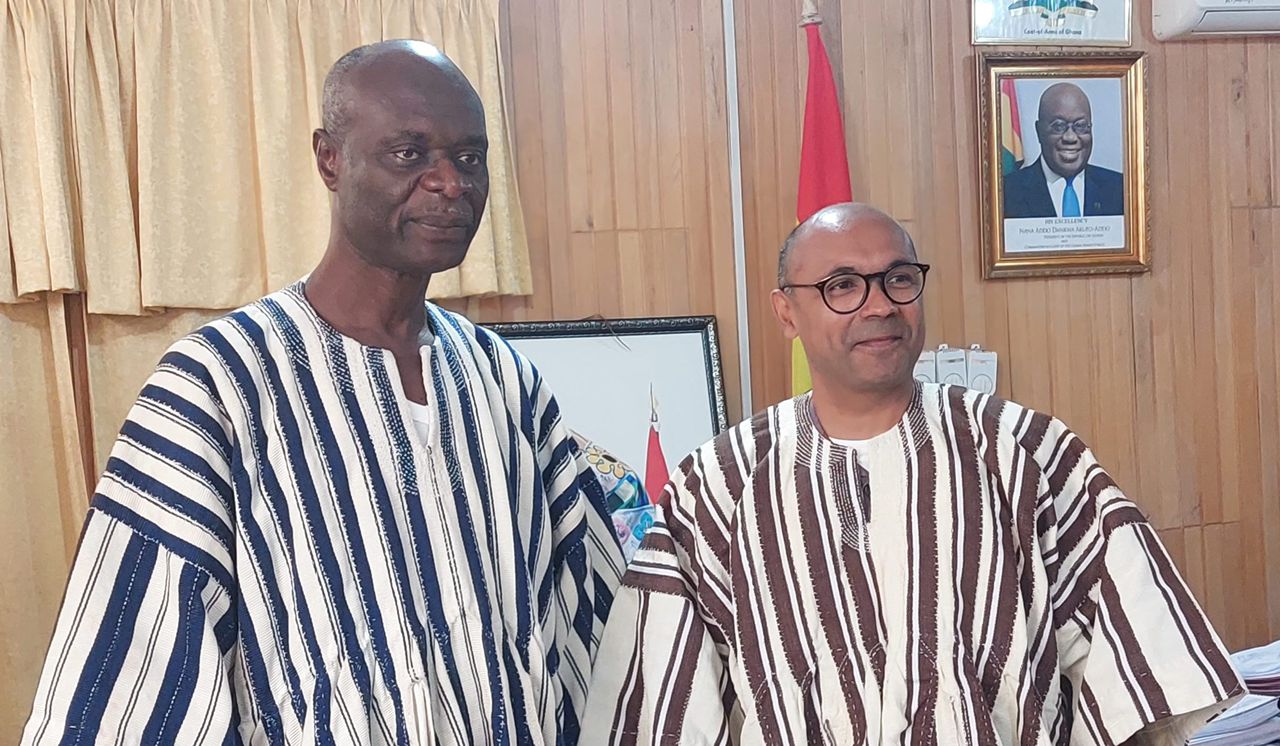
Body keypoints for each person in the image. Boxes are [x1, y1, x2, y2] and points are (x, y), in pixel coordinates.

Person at [23, 40, 622, 745]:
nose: (449, 184)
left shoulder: (502, 377)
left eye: (469, 158)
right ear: (329, 158)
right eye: (409, 154)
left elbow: (598, 619)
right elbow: (131, 679)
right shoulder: (220, 383)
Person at [581, 203, 1242, 745]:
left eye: (898, 279)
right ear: (787, 313)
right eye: (842, 285)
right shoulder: (717, 487)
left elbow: (1140, 682)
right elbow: (659, 709)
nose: (879, 305)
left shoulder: (1023, 452)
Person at [1004, 82, 1125, 218]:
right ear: (1039, 131)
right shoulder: (1006, 193)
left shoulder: (1121, 189)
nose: (1070, 137)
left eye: (1080, 126)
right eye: (1059, 126)